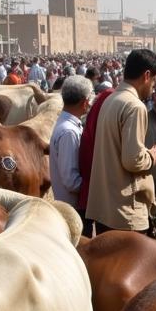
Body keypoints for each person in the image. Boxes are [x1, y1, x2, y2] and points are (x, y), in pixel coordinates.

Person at [86, 48, 156, 234]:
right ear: (147, 75)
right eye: (154, 83)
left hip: (104, 208)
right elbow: (132, 160)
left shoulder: (111, 99)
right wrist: (152, 157)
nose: (153, 88)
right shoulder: (135, 106)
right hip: (125, 212)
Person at [48, 75, 93, 215]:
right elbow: (71, 181)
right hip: (73, 209)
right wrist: (94, 189)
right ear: (85, 102)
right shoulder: (69, 132)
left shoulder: (67, 125)